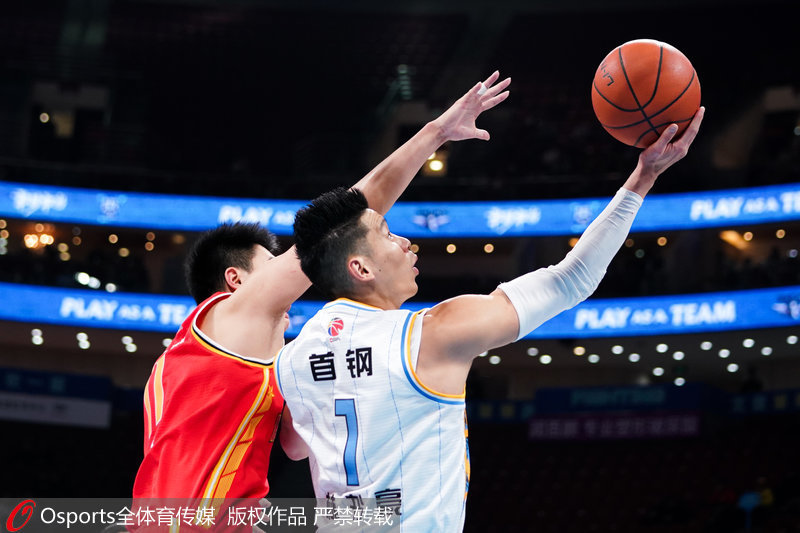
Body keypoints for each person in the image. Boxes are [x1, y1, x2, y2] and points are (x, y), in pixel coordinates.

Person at [275, 108, 705, 531]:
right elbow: (572, 279)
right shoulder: (431, 334)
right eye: (387, 235)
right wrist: (643, 178)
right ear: (361, 268)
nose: (405, 242)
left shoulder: (292, 359)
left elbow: (295, 448)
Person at [130, 72, 511, 510]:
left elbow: (294, 446)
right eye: (272, 266)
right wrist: (436, 132)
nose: (294, 278)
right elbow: (342, 224)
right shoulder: (234, 315)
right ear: (236, 281)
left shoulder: (206, 359)